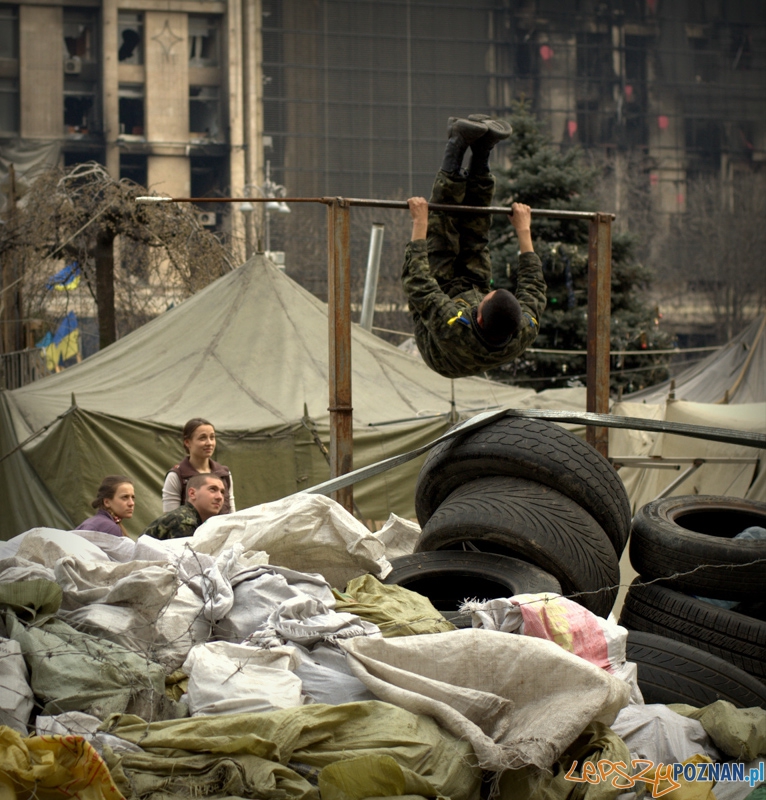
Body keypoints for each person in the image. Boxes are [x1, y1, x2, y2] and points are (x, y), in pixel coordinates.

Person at [402, 114, 547, 379]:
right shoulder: (524, 327)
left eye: (486, 297)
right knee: (475, 237)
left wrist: (420, 223)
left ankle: (457, 142)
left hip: (440, 344)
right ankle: (482, 151)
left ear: (478, 316)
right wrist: (523, 230)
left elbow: (418, 283)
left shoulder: (454, 328)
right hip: (470, 302)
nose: (487, 292)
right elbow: (534, 287)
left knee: (442, 235)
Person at [162, 418, 235, 514]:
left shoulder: (224, 474)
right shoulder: (177, 475)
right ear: (187, 442)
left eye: (212, 437)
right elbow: (170, 519)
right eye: (202, 438)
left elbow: (232, 513)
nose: (209, 443)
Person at [142, 474, 225, 540]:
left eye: (222, 492)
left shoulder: (194, 519)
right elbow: (183, 559)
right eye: (212, 489)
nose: (219, 497)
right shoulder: (185, 521)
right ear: (192, 494)